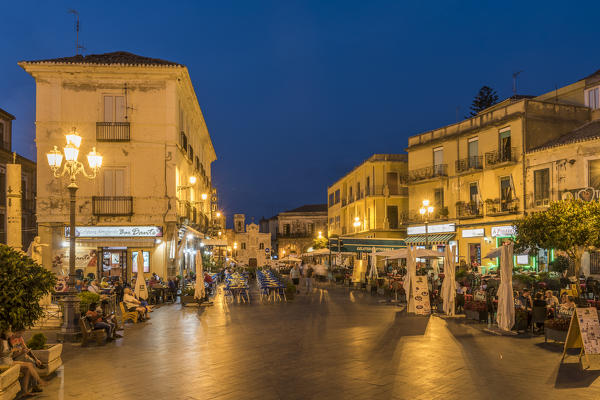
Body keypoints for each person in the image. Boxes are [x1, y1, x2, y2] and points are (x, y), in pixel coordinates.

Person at [2, 330, 46, 396]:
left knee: (29, 366)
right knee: (30, 364)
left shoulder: (7, 340)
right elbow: (4, 354)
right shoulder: (4, 341)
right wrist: (15, 351)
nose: (10, 333)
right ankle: (39, 382)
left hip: (10, 360)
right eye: (9, 331)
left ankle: (26, 391)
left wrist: (35, 358)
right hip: (6, 362)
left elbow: (11, 353)